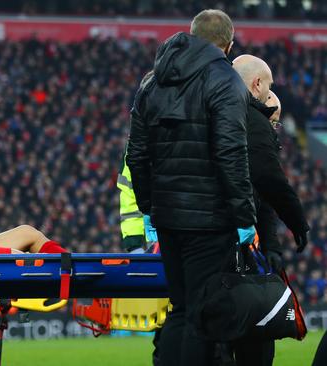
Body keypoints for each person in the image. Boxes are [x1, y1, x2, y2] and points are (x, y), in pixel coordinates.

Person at [126, 9, 256, 366]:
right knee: (201, 314)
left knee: (180, 309)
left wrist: (150, 207)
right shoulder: (225, 80)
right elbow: (231, 152)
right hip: (209, 221)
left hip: (167, 218)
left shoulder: (152, 82)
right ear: (228, 45)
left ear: (191, 35)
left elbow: (135, 154)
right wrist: (245, 216)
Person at [230, 55, 310, 366]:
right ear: (257, 85)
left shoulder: (228, 117)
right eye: (273, 120)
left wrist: (273, 246)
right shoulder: (251, 124)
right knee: (249, 331)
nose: (274, 127)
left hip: (237, 241)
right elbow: (268, 185)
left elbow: (262, 202)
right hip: (232, 242)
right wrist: (297, 220)